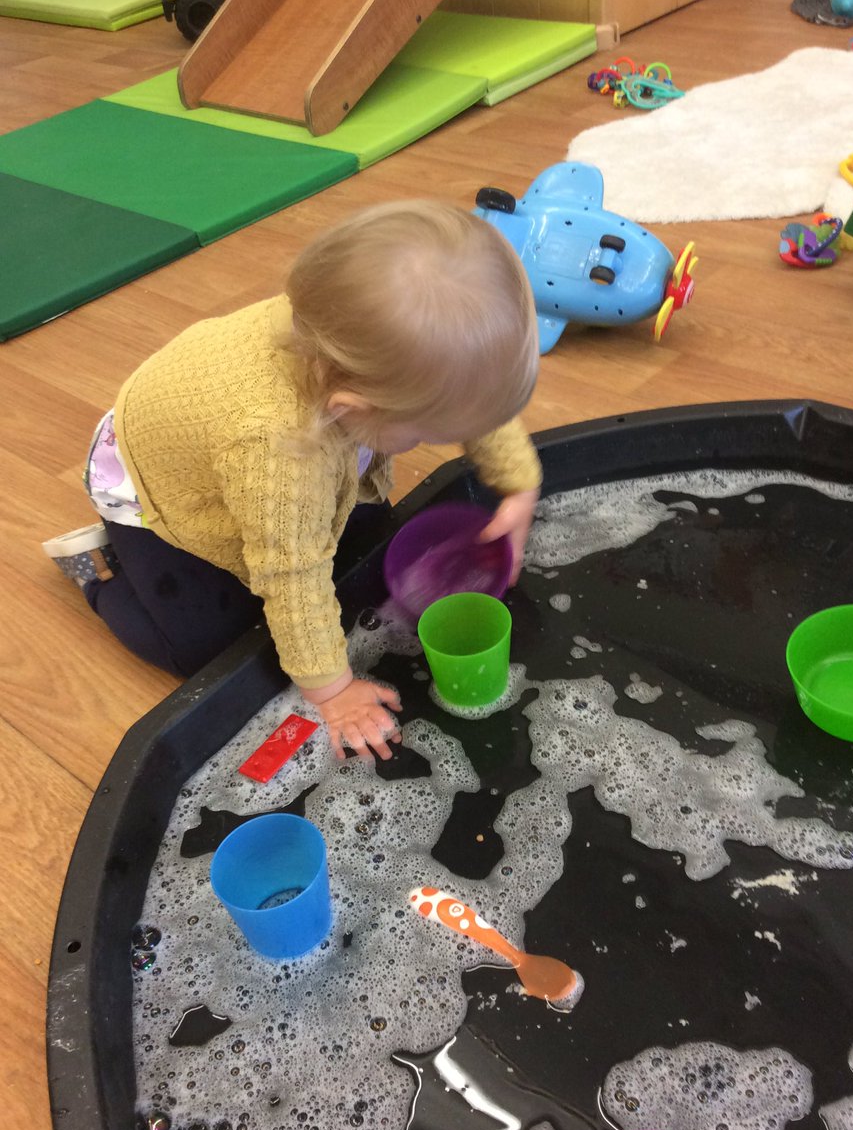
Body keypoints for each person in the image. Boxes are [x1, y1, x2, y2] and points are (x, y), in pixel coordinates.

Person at [43, 200, 543, 760]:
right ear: (354, 406)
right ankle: (101, 575)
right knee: (201, 650)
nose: (449, 436)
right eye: (428, 433)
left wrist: (517, 481)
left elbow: (472, 393)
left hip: (234, 452)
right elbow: (291, 574)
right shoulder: (277, 453)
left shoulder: (351, 331)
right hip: (157, 491)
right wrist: (333, 693)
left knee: (364, 547)